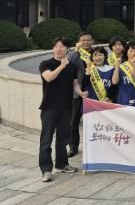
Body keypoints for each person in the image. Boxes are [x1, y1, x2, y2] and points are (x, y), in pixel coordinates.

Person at [38, 37, 86, 182]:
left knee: (63, 138)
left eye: (62, 46)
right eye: (56, 46)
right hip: (49, 107)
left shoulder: (72, 67)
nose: (59, 49)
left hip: (66, 107)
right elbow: (48, 78)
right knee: (46, 139)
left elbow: (74, 83)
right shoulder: (45, 64)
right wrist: (61, 66)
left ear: (67, 49)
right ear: (53, 49)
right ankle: (46, 170)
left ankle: (61, 164)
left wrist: (80, 93)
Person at [67, 31, 93, 158]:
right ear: (79, 42)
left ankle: (95, 146)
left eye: (88, 40)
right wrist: (76, 51)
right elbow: (69, 63)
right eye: (83, 40)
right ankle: (73, 147)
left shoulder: (97, 53)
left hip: (93, 92)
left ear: (92, 41)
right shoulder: (75, 55)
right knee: (73, 121)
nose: (86, 42)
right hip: (77, 92)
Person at [111, 41, 135, 107]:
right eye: (130, 51)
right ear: (126, 52)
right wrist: (117, 66)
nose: (133, 53)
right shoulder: (121, 66)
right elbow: (114, 82)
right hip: (123, 101)